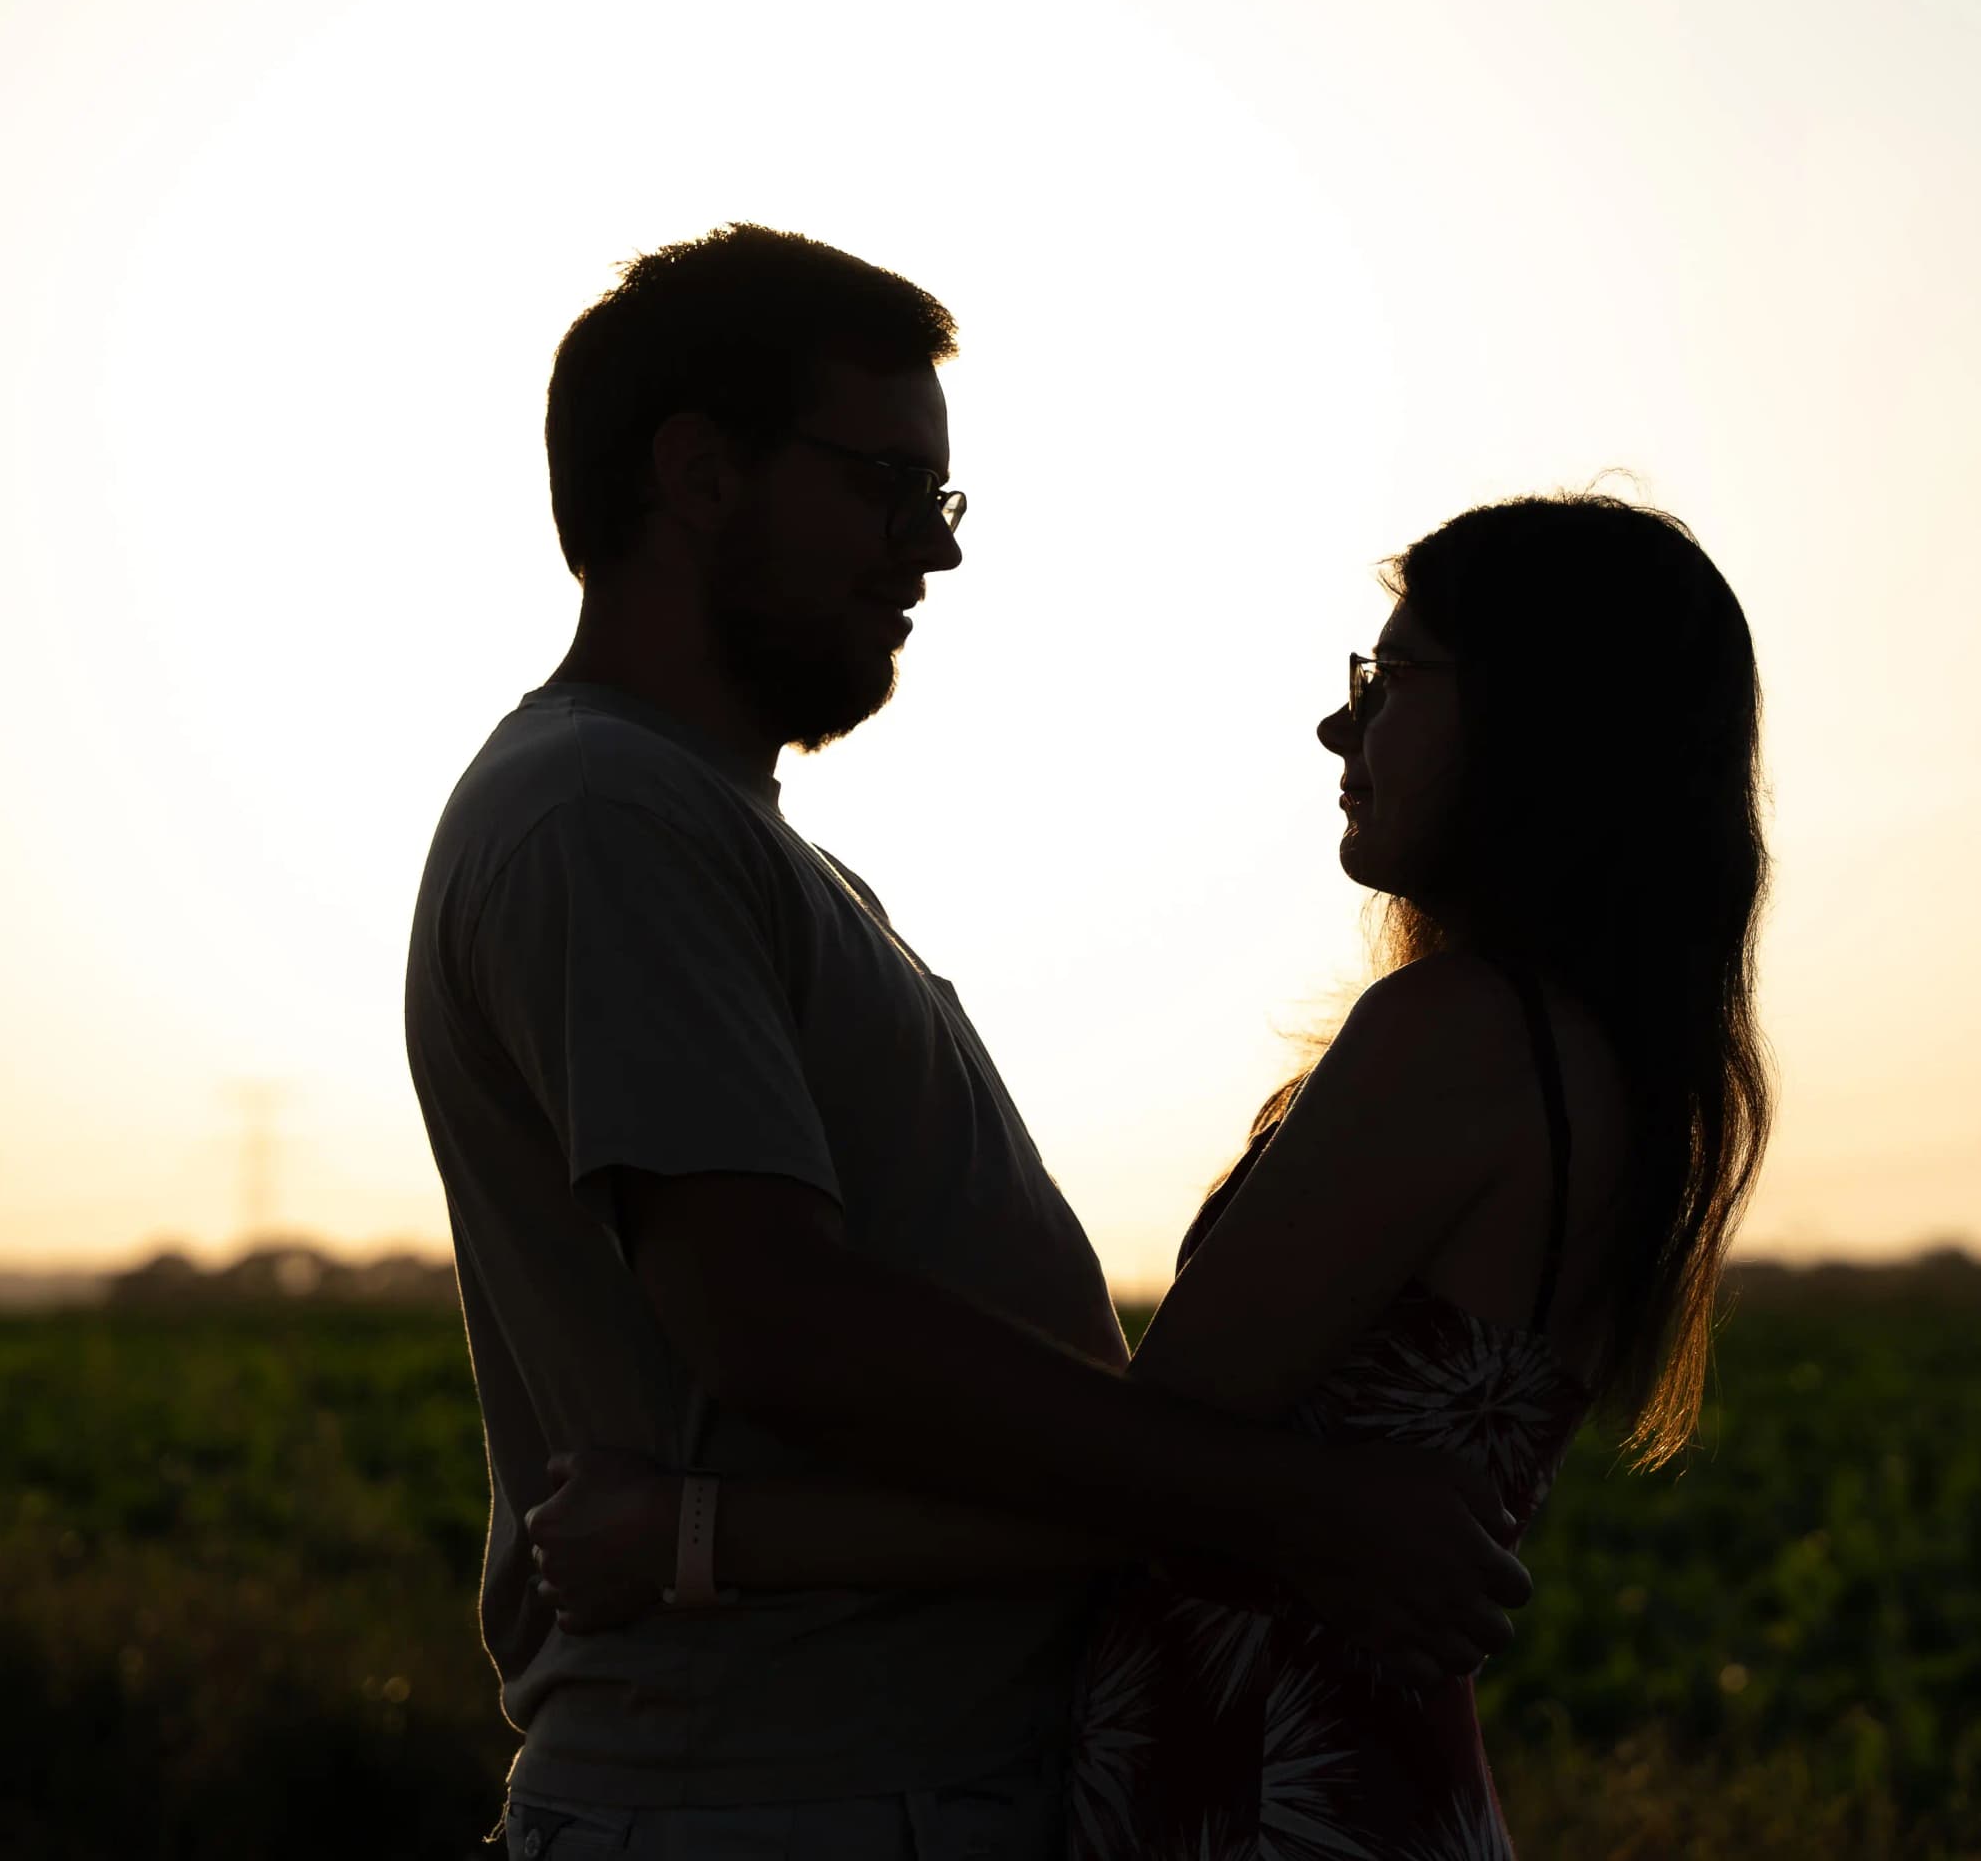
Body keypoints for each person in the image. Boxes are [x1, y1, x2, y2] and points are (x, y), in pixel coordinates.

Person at [403, 225, 1531, 1860]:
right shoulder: (606, 813)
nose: (926, 556)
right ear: (701, 474)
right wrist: (1298, 1513)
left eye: (935, 505)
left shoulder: (721, 834)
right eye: (884, 488)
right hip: (786, 1802)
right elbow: (779, 1324)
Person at [526, 490, 1773, 1858]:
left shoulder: (1457, 1037)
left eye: (1395, 677)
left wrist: (696, 1542)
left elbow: (1135, 1489)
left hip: (1260, 1790)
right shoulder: (1602, 1058)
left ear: (1544, 723)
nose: (1342, 725)